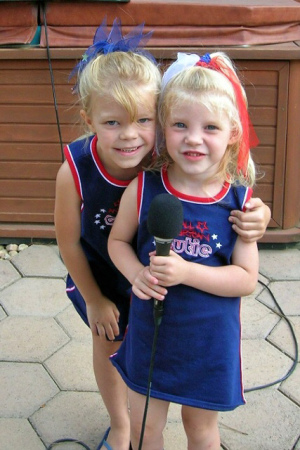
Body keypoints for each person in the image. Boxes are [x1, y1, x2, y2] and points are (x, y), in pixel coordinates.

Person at [55, 17, 268, 448]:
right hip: (104, 274)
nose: (129, 134)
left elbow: (242, 263)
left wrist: (256, 216)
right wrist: (97, 298)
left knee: (192, 418)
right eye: (112, 122)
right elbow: (72, 241)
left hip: (185, 311)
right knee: (112, 350)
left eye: (142, 120)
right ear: (90, 119)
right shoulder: (89, 172)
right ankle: (119, 425)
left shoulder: (186, 165)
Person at [108, 51, 260, 450]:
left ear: (232, 133)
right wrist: (134, 273)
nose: (193, 138)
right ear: (163, 128)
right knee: (144, 429)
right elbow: (118, 241)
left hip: (208, 345)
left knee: (201, 431)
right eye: (180, 125)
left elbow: (245, 279)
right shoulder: (143, 189)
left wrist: (187, 272)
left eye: (210, 126)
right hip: (149, 338)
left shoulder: (240, 205)